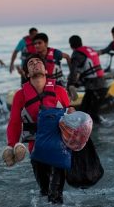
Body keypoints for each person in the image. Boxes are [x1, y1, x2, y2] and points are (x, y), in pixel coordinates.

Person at [6, 54, 73, 204]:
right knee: (44, 192)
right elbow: (14, 122)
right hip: (36, 151)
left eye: (38, 62)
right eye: (31, 63)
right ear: (27, 73)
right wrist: (11, 145)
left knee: (55, 196)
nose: (35, 63)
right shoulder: (20, 95)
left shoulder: (60, 91)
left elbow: (70, 119)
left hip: (59, 150)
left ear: (46, 70)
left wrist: (73, 114)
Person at [68, 35, 107, 124]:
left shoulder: (77, 54)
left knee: (90, 114)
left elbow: (73, 72)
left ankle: (94, 133)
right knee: (85, 112)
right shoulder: (89, 50)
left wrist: (71, 84)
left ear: (71, 46)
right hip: (101, 85)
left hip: (94, 87)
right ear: (81, 43)